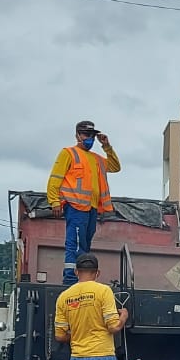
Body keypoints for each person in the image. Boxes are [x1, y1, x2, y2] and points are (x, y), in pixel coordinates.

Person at [47, 120, 121, 285]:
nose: (90, 138)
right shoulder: (68, 153)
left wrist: (107, 146)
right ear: (77, 135)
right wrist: (54, 201)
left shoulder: (97, 159)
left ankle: (82, 278)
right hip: (75, 206)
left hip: (92, 209)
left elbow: (116, 167)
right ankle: (71, 280)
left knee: (85, 245)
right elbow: (55, 179)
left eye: (92, 135)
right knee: (76, 244)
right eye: (86, 135)